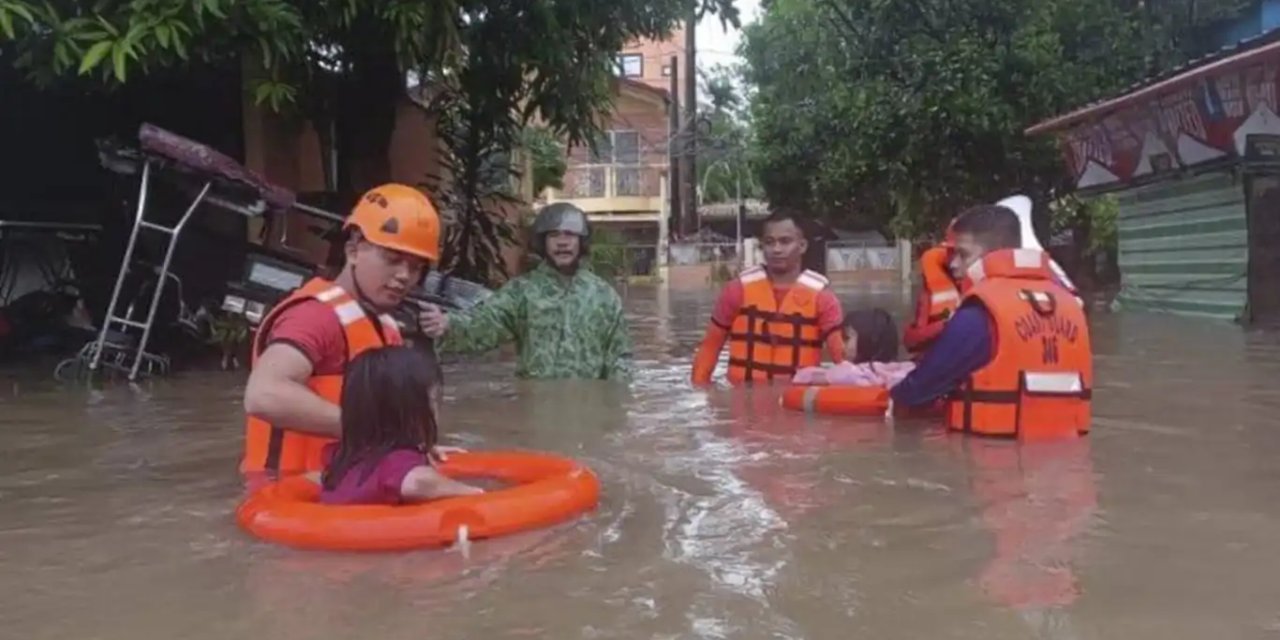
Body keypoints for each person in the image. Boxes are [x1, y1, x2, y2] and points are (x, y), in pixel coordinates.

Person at [241, 183, 447, 477]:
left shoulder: (386, 324)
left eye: (416, 267)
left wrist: (412, 445)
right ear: (353, 251)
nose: (404, 276)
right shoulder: (314, 317)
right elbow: (263, 395)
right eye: (392, 259)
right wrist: (371, 431)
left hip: (345, 488)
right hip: (289, 496)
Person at [890, 204, 1092, 439]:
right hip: (1065, 460)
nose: (954, 264)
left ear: (994, 254)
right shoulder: (1070, 306)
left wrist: (887, 399)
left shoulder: (980, 313)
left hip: (992, 461)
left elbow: (917, 391)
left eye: (963, 254)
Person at [419, 202, 632, 380]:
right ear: (542, 242)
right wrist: (447, 324)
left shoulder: (604, 297)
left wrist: (613, 412)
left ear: (581, 241)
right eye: (554, 235)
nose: (563, 242)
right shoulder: (522, 292)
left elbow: (620, 359)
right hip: (536, 408)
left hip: (587, 410)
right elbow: (486, 323)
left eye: (570, 235)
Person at [692, 210, 845, 385]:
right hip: (742, 401)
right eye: (769, 242)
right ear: (762, 247)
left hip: (795, 402)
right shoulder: (736, 290)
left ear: (802, 246)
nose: (776, 249)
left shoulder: (823, 298)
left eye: (785, 241)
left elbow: (842, 357)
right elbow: (710, 346)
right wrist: (700, 390)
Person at [320, 345, 483, 505]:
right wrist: (471, 492)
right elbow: (418, 483)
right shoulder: (397, 463)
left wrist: (423, 448)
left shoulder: (339, 456)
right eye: (434, 401)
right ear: (411, 412)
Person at [792, 309, 915, 388]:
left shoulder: (849, 373)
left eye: (846, 338)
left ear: (867, 341)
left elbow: (802, 377)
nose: (842, 344)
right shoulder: (904, 371)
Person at [902, 220, 961, 358]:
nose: (956, 262)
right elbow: (911, 341)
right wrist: (945, 325)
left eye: (963, 254)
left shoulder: (993, 292)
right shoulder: (930, 293)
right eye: (952, 252)